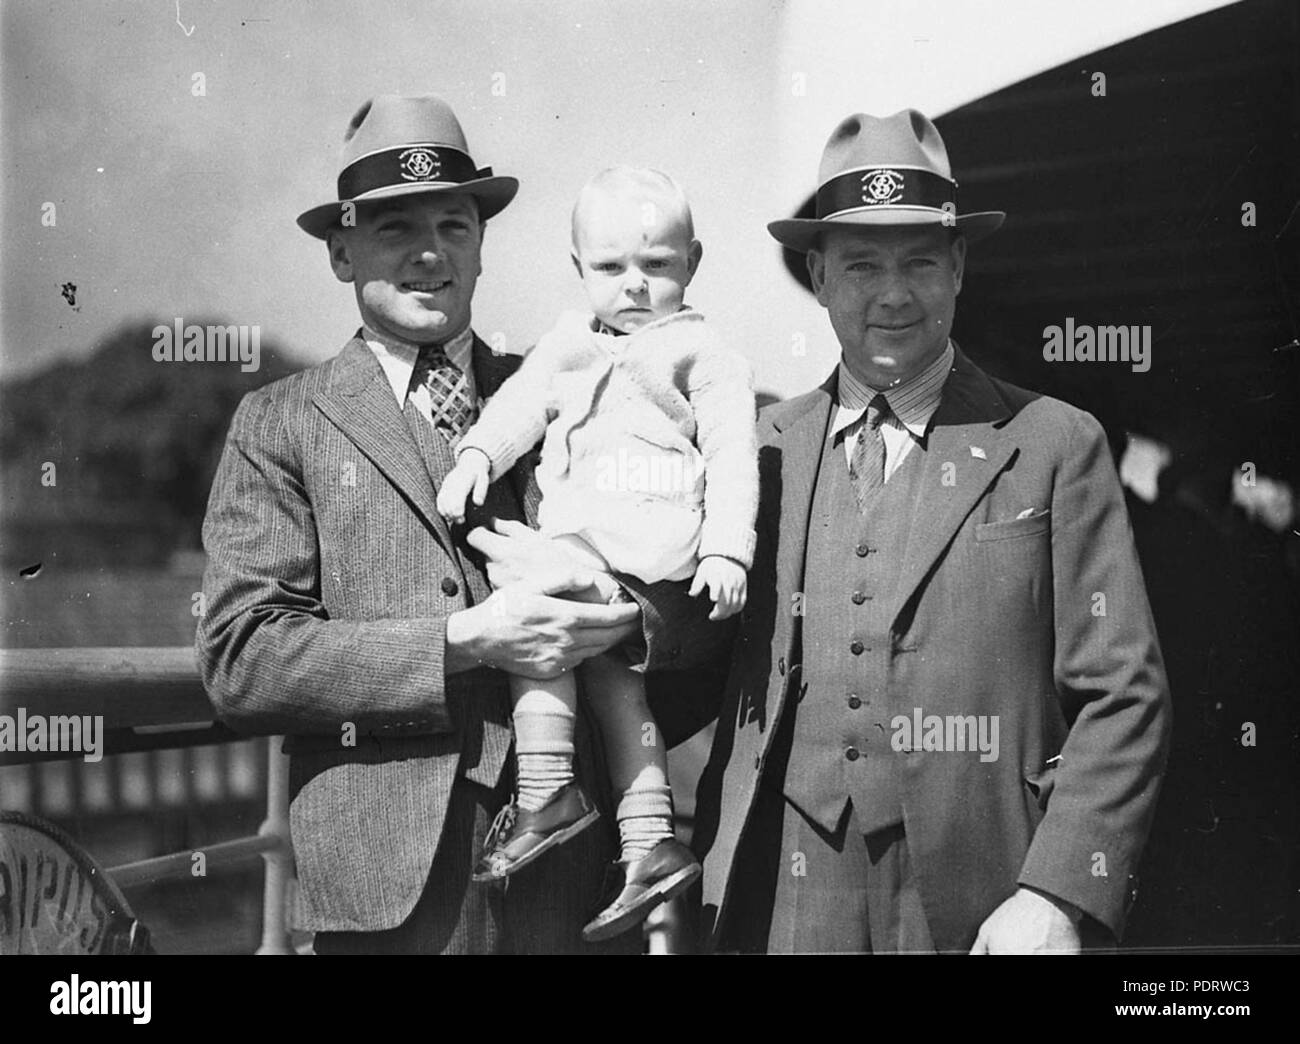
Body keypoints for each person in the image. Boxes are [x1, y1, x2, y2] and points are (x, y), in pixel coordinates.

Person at [196, 94, 719, 954]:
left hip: (575, 890)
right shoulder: (280, 422)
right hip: (388, 897)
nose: (430, 251)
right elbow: (241, 660)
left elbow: (703, 596)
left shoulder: (576, 390)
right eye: (395, 228)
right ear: (340, 251)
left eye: (453, 224)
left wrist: (626, 618)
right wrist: (465, 640)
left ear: (481, 245)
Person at [684, 109, 1173, 953]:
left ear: (958, 269)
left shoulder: (1054, 443)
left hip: (985, 900)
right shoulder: (758, 450)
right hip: (784, 895)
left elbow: (1124, 694)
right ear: (819, 276)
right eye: (861, 265)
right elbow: (685, 663)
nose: (893, 294)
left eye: (919, 261)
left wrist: (1056, 895)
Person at [436, 166, 758, 941]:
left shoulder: (704, 352)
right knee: (616, 687)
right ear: (578, 268)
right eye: (612, 267)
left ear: (693, 262)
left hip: (652, 551)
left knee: (537, 619)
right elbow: (520, 404)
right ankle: (648, 840)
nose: (635, 284)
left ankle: (548, 789)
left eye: (658, 264)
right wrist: (478, 454)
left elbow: (733, 456)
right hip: (581, 544)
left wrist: (728, 552)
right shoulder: (568, 343)